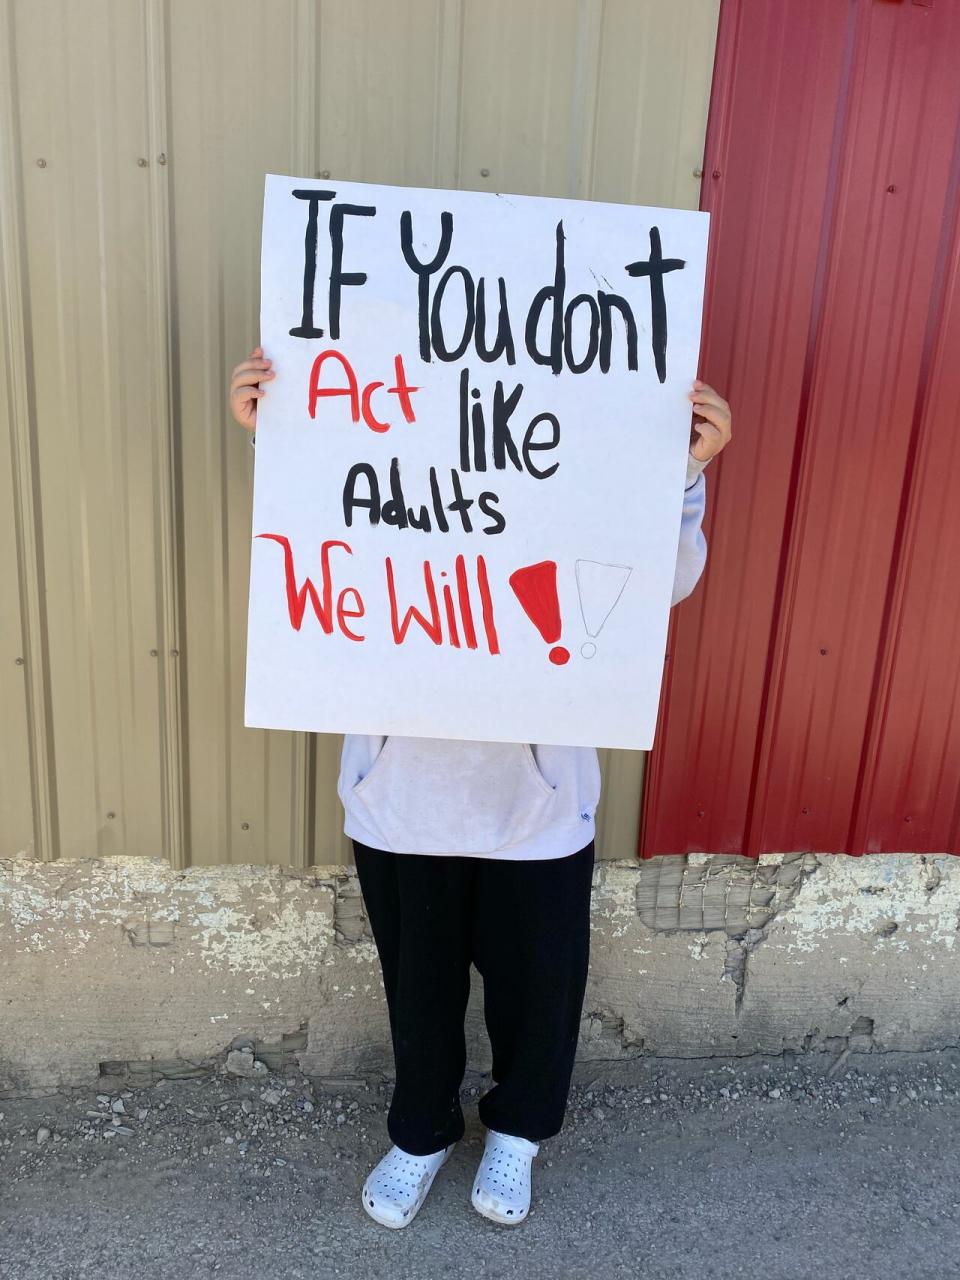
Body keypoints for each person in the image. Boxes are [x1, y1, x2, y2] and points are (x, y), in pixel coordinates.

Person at [230, 346, 732, 1229]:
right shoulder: (390, 424)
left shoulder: (568, 445)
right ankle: (421, 1133)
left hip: (537, 806)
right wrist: (288, 438)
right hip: (401, 799)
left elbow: (662, 584)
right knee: (417, 989)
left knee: (539, 988)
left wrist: (680, 471)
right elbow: (326, 542)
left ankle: (517, 1134)